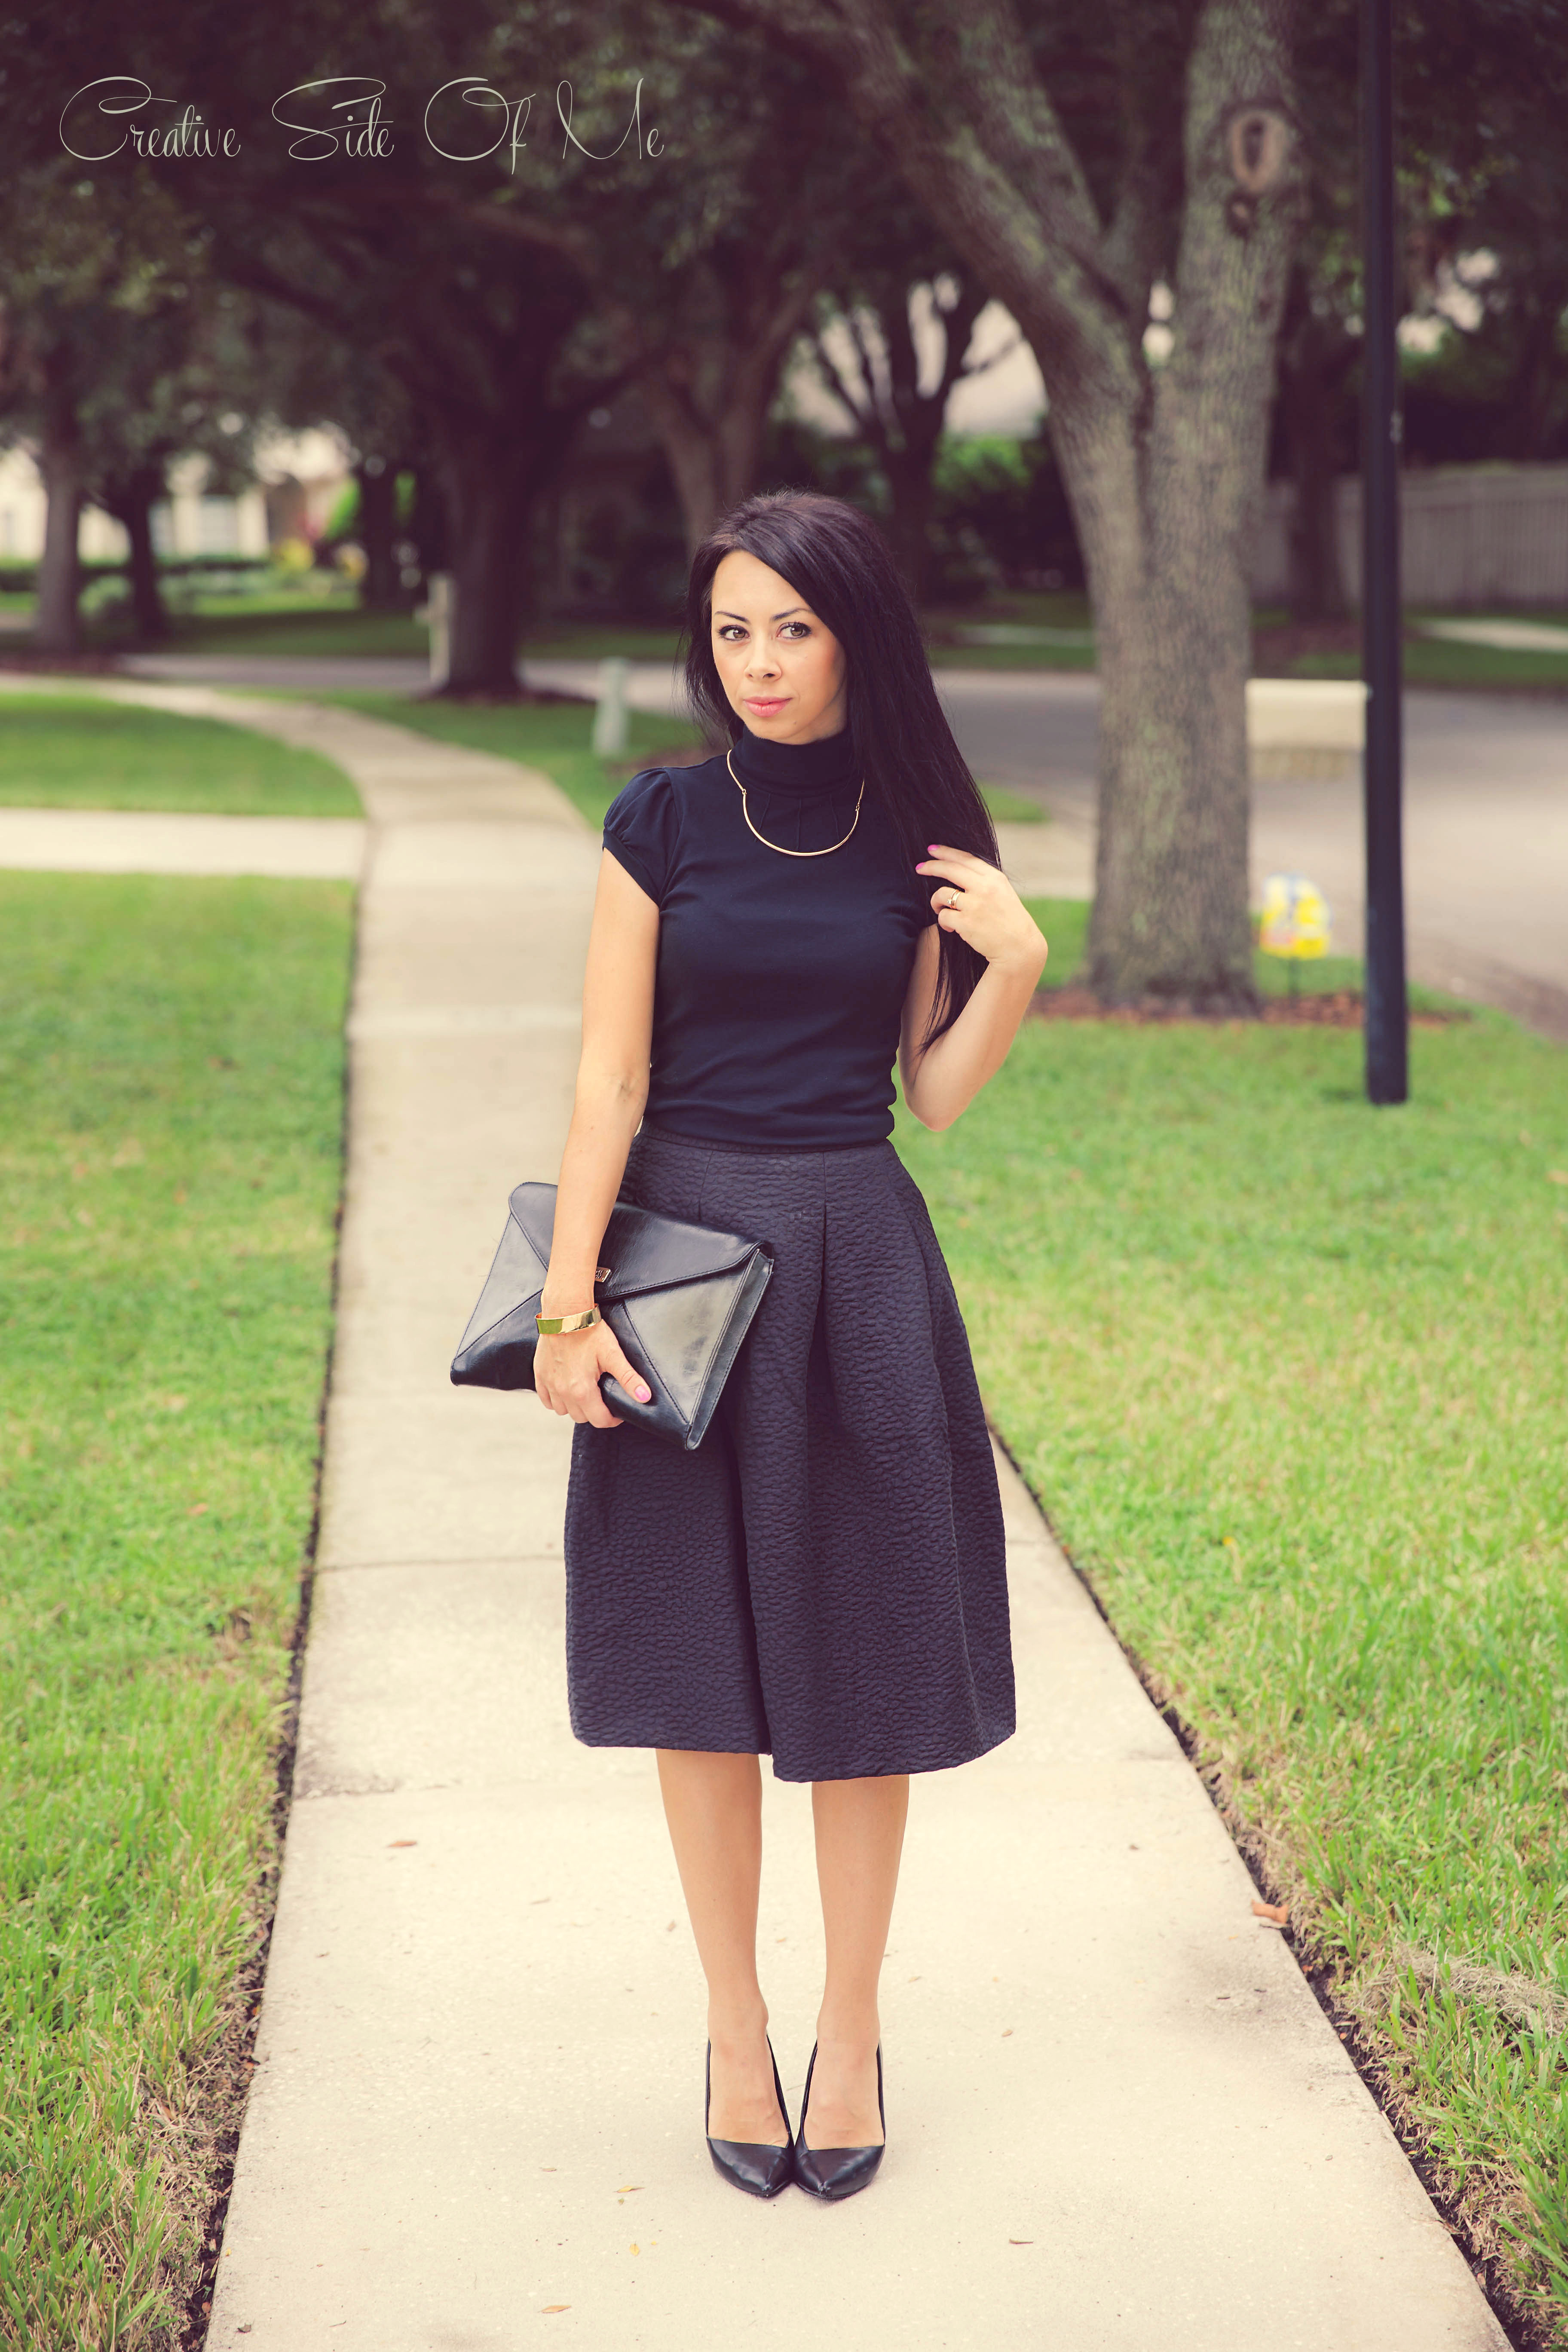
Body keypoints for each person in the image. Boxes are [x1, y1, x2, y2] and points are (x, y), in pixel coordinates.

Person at [531, 488, 1047, 2202]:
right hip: (680, 1265)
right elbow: (609, 1074)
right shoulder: (659, 820)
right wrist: (565, 1302)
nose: (758, 662)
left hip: (853, 1267)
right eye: (734, 628)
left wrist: (1023, 967)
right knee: (697, 1662)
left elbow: (931, 1098)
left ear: (855, 637)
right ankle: (733, 2029)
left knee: (867, 1661)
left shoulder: (914, 839)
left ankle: (848, 2027)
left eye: (794, 629)